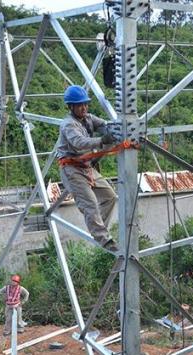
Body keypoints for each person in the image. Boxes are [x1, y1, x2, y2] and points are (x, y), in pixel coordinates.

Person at [55, 85, 118, 251]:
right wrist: (102, 140)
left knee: (109, 196)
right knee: (90, 204)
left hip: (86, 167)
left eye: (85, 104)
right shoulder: (68, 125)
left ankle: (99, 229)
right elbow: (79, 142)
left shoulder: (88, 118)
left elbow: (104, 125)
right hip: (72, 170)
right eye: (80, 105)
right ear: (71, 106)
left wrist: (115, 130)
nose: (84, 108)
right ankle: (104, 240)